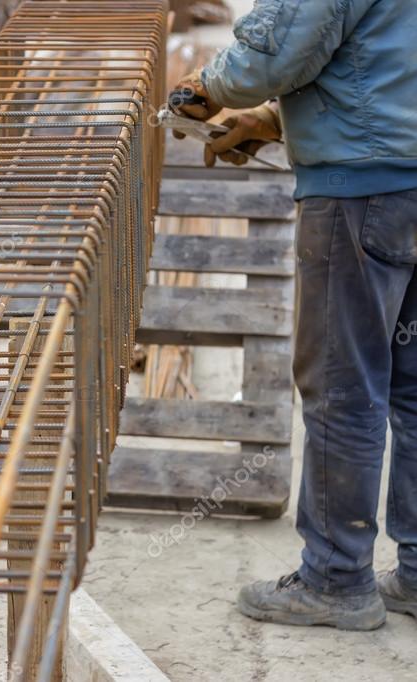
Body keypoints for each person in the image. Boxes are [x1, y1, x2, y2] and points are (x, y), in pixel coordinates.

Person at [172, 0, 417, 631]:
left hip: (361, 191)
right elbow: (388, 52)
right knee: (413, 388)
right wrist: (275, 119)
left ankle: (335, 580)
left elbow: (279, 45)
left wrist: (208, 88)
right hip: (403, 182)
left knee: (343, 388)